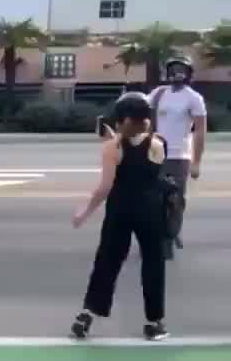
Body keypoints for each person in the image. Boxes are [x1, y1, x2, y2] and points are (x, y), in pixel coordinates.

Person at [71, 92, 170, 341]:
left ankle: (87, 315)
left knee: (107, 262)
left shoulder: (112, 147)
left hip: (120, 210)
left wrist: (85, 211)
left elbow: (105, 187)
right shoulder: (158, 144)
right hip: (151, 210)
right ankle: (154, 322)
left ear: (123, 118)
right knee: (153, 264)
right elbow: (151, 173)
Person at [147, 55, 206, 259]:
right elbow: (144, 118)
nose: (176, 73)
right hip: (156, 154)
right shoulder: (158, 93)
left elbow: (200, 131)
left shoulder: (194, 98)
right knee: (153, 199)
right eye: (173, 70)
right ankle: (156, 236)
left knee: (175, 199)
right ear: (167, 73)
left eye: (181, 69)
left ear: (189, 74)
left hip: (180, 156)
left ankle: (171, 234)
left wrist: (197, 162)